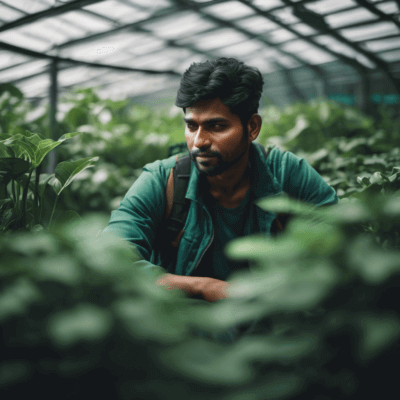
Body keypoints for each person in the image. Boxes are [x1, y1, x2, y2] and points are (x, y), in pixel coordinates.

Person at [102, 57, 339, 341]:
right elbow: (110, 261)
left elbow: (342, 247)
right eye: (191, 126)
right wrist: (203, 287)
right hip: (180, 341)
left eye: (216, 126)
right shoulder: (161, 181)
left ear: (252, 127)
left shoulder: (287, 173)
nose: (199, 141)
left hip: (273, 339)